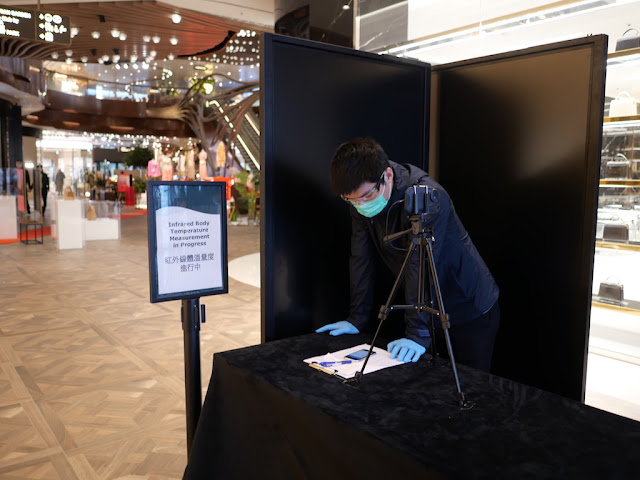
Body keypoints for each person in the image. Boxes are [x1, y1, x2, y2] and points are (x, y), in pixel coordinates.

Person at [316, 138, 500, 371]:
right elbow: (361, 259)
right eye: (351, 200)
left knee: (468, 390)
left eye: (367, 197)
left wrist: (417, 334)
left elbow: (419, 263)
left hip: (468, 306)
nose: (361, 206)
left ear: (388, 176)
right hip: (425, 308)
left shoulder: (428, 196)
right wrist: (357, 319)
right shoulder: (361, 199)